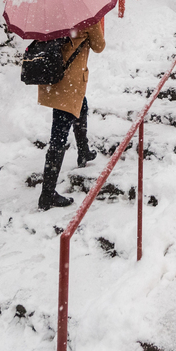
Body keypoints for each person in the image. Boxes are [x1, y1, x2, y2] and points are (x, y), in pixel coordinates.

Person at [36, 21, 106, 210]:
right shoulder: (87, 17)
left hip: (55, 76)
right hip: (69, 82)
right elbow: (99, 46)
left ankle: (83, 151)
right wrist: (95, 26)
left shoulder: (52, 13)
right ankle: (47, 194)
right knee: (58, 137)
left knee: (81, 106)